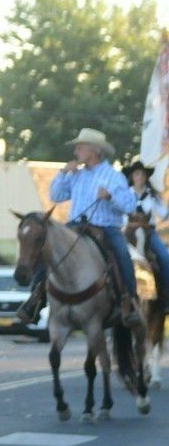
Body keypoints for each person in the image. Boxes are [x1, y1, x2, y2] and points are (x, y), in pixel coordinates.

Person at [34, 129, 138, 323]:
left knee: (122, 254)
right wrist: (63, 172)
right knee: (47, 248)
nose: (76, 152)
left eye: (80, 148)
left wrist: (110, 197)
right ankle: (36, 299)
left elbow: (130, 205)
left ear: (94, 150)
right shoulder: (76, 175)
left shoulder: (114, 177)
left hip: (105, 228)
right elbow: (56, 196)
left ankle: (129, 301)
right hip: (75, 226)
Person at [122, 163, 169, 307]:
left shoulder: (152, 196)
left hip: (149, 232)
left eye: (143, 175)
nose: (140, 177)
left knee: (164, 256)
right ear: (132, 176)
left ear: (146, 177)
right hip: (128, 232)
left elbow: (164, 214)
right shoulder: (125, 195)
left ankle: (167, 294)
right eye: (137, 174)